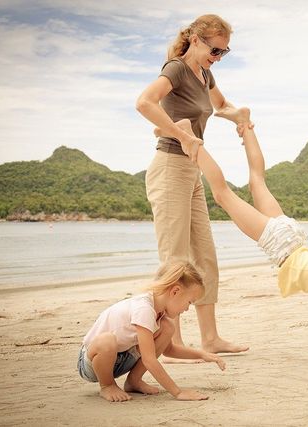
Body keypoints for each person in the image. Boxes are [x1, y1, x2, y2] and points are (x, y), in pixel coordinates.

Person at [155, 109, 308, 375]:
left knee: (257, 179)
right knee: (222, 194)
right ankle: (189, 138)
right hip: (283, 244)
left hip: (291, 235)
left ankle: (246, 125)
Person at [135, 14, 249, 359]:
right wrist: (181, 133)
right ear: (197, 40)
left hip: (192, 170)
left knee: (204, 257)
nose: (218, 56)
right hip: (169, 167)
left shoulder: (205, 74)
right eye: (215, 49)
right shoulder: (176, 69)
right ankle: (170, 340)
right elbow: (144, 103)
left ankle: (210, 338)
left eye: (224, 52)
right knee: (176, 261)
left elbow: (221, 105)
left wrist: (239, 114)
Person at [77, 262, 226, 402]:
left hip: (120, 359)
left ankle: (134, 381)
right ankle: (107, 385)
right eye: (189, 302)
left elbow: (169, 350)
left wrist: (202, 354)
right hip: (92, 363)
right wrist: (178, 392)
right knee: (107, 341)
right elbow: (149, 359)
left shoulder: (159, 314)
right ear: (175, 291)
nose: (187, 309)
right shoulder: (144, 309)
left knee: (167, 327)